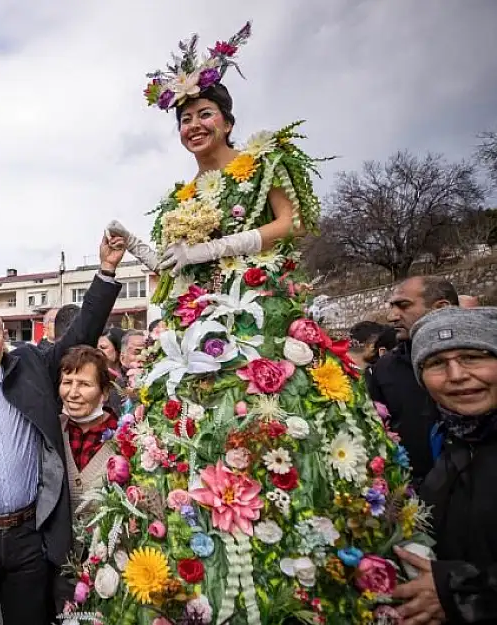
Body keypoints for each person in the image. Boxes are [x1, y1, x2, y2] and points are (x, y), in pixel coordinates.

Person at [93, 22, 422, 623]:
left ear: (225, 117)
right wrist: (139, 249)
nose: (193, 126)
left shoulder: (265, 160)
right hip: (195, 328)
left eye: (202, 114)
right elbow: (174, 269)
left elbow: (292, 224)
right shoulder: (181, 193)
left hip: (259, 311)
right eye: (184, 118)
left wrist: (218, 249)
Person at [0, 229, 125, 625]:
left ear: (3, 340)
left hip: (29, 536)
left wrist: (106, 269)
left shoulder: (30, 368)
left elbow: (81, 334)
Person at [392, 307, 497, 624]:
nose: (456, 376)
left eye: (473, 356)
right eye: (436, 363)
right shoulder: (456, 437)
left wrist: (462, 591)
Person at [367, 276, 459, 481]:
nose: (392, 317)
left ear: (441, 308)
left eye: (403, 306)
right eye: (392, 307)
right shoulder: (384, 368)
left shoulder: (490, 361)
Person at [58, 347, 120, 513]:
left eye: (84, 384)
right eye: (67, 382)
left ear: (104, 393)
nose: (73, 393)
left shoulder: (124, 439)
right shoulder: (54, 430)